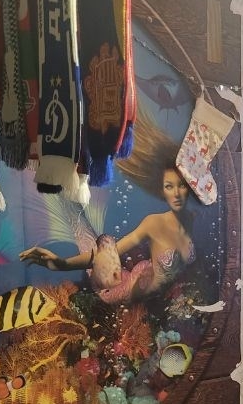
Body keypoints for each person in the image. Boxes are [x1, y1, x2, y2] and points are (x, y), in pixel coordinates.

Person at [20, 106, 204, 304]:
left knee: (81, 222)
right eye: (169, 186)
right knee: (78, 222)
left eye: (181, 185)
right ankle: (52, 159)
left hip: (149, 293)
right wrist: (61, 264)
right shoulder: (154, 223)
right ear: (162, 190)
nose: (176, 193)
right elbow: (108, 254)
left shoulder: (190, 218)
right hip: (118, 290)